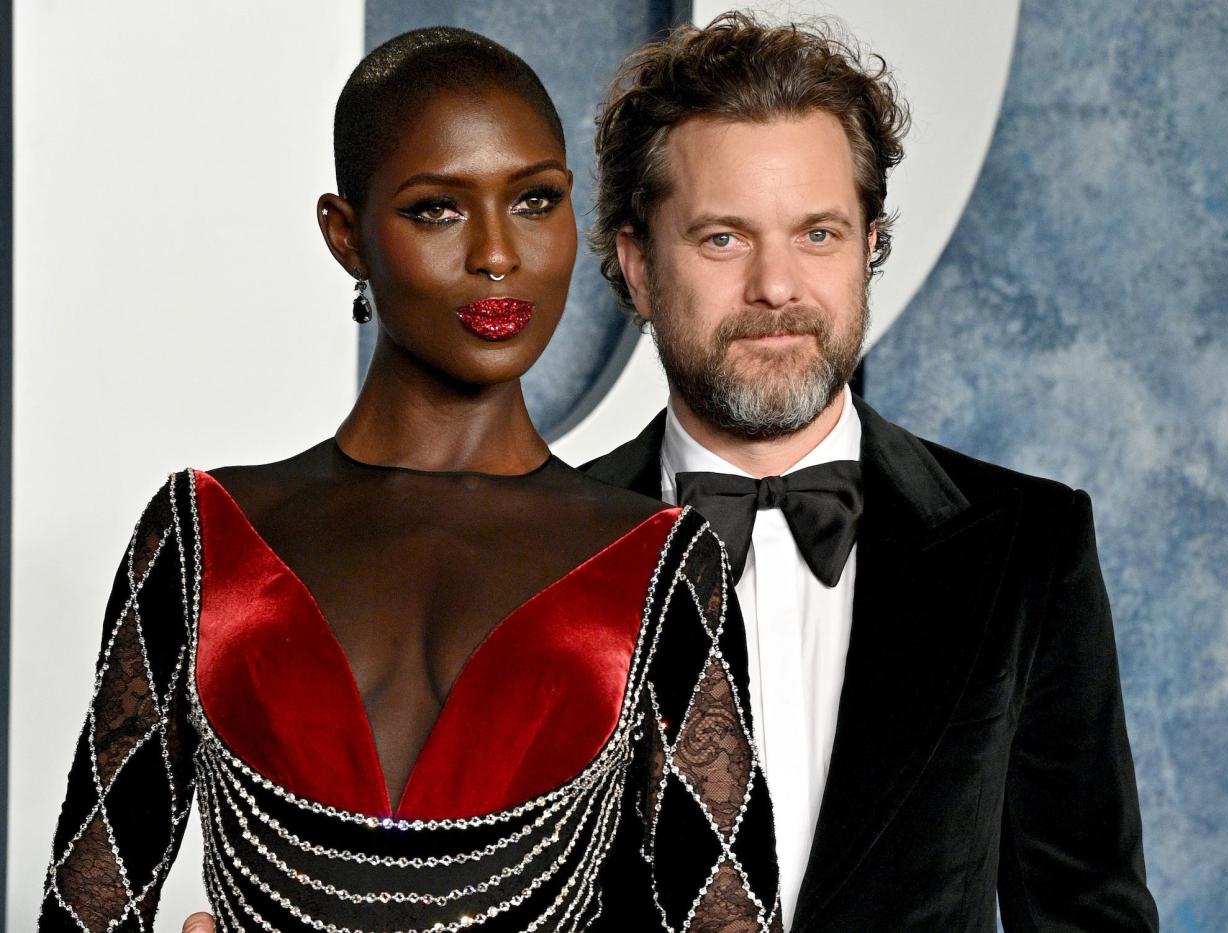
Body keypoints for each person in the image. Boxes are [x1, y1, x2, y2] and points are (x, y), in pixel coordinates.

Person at [39, 27, 780, 933]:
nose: (499, 254)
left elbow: (729, 917)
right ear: (345, 235)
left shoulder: (658, 561)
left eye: (536, 200)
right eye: (439, 209)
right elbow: (84, 910)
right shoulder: (203, 535)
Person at [578, 12, 1160, 932]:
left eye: (817, 234)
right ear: (639, 267)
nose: (777, 286)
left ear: (869, 248)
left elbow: (1089, 911)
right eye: (723, 239)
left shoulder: (1025, 547)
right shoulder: (540, 547)